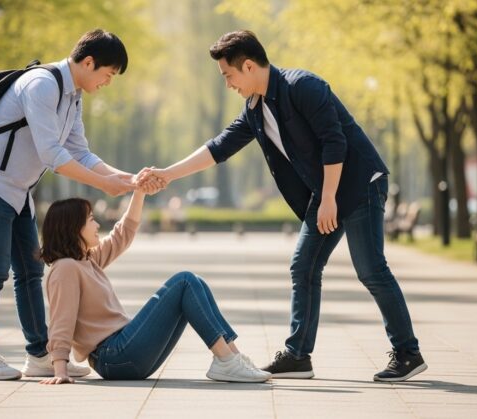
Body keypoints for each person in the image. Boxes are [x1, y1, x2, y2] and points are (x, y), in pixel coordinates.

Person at [139, 30, 426, 382]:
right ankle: (297, 356)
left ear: (248, 66)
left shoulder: (302, 86)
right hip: (327, 193)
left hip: (359, 184)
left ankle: (408, 352)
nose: (228, 83)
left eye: (228, 75)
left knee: (370, 269)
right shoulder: (255, 110)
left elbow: (334, 142)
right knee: (303, 266)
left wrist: (330, 199)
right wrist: (167, 174)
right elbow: (219, 147)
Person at [0, 29, 161, 381]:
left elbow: (80, 150)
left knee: (30, 272)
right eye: (108, 75)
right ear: (88, 62)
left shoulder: (72, 96)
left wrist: (127, 181)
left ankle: (39, 353)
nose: (107, 83)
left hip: (17, 189)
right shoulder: (42, 85)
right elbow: (52, 154)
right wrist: (104, 184)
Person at [38, 184, 271, 384]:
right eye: (90, 220)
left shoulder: (87, 260)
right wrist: (60, 369)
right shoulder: (66, 268)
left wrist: (139, 192)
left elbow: (123, 234)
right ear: (73, 227)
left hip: (122, 352)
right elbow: (61, 320)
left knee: (195, 283)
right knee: (185, 281)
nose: (97, 224)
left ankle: (232, 356)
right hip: (113, 355)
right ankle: (226, 360)